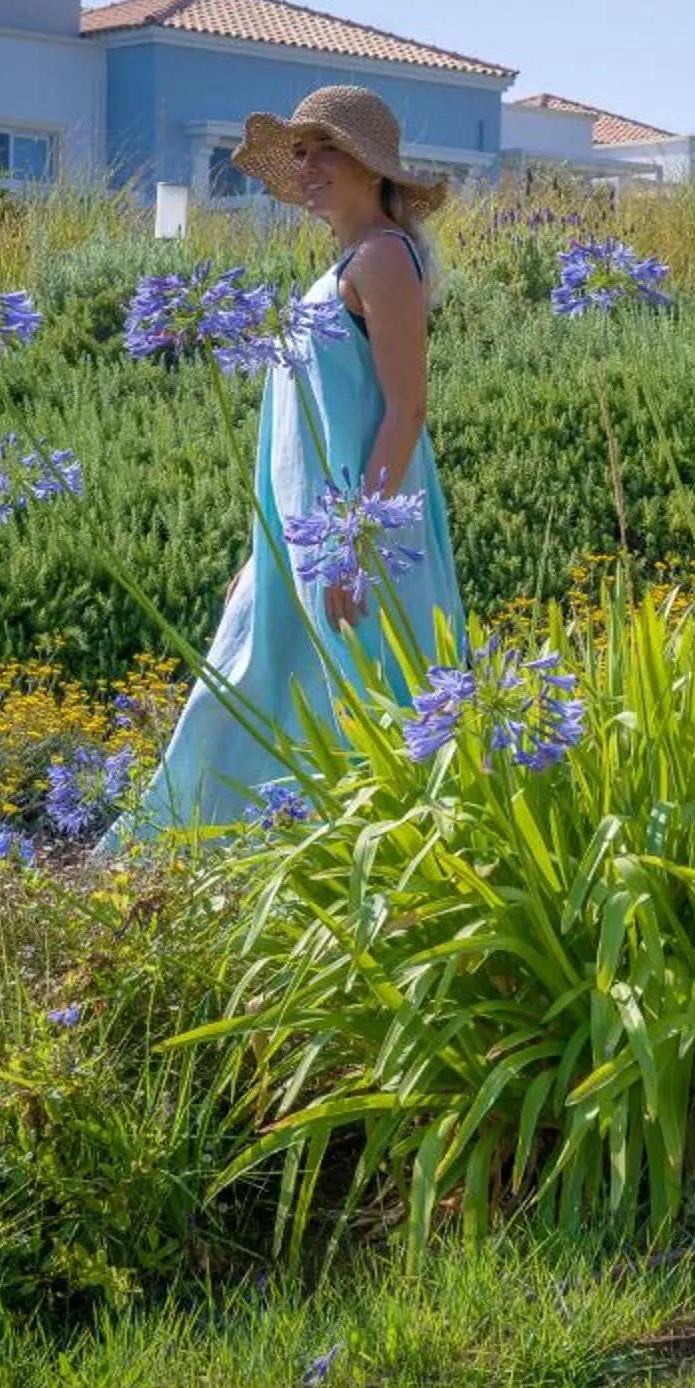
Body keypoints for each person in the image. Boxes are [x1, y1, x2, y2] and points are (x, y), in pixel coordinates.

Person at [117, 85, 466, 839]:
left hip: (359, 538)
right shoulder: (347, 263)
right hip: (312, 541)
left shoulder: (381, 261)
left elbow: (406, 410)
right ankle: (227, 854)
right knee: (261, 681)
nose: (308, 166)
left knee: (365, 696)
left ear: (373, 166)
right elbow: (298, 438)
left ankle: (368, 865)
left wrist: (355, 545)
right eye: (300, 153)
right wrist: (263, 550)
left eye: (326, 149)